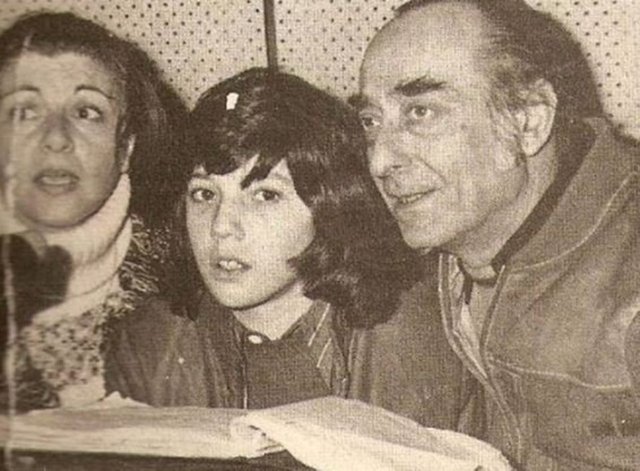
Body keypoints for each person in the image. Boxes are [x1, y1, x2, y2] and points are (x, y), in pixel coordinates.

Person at [357, 0, 640, 469]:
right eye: (371, 122)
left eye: (420, 112)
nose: (380, 161)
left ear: (528, 121)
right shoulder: (453, 242)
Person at [105, 67, 467, 415]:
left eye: (265, 195)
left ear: (328, 206)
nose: (221, 226)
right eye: (204, 194)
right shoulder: (147, 347)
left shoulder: (420, 334)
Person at [0, 12, 186, 410]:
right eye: (24, 112)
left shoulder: (188, 280)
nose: (56, 139)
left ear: (126, 149)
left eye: (86, 112)